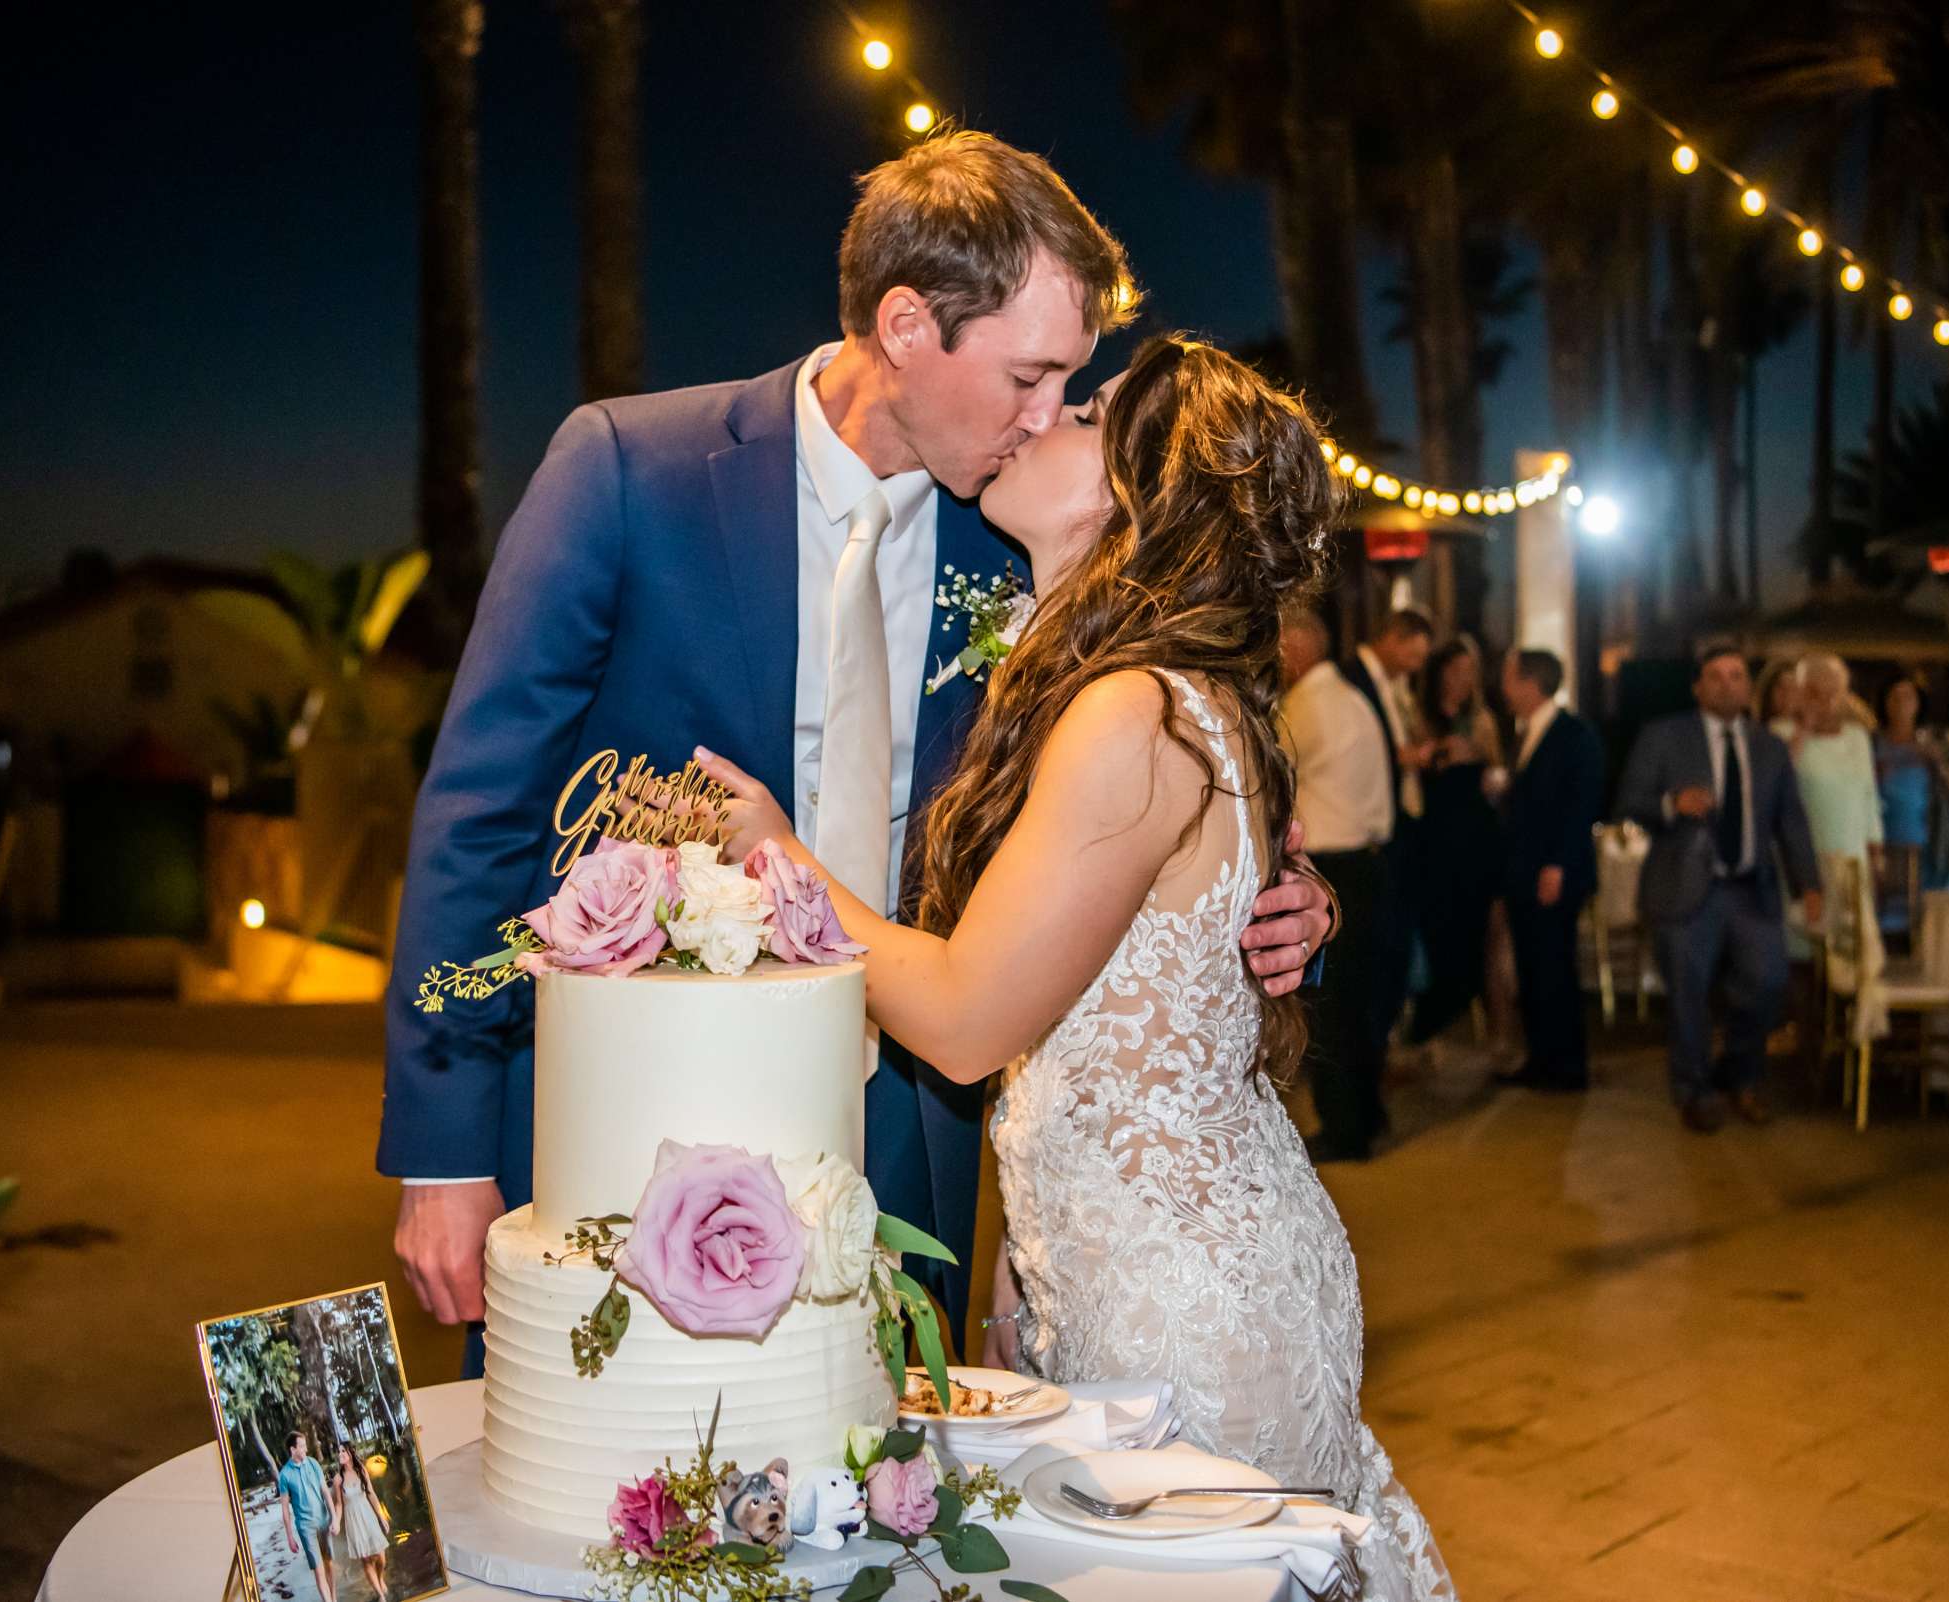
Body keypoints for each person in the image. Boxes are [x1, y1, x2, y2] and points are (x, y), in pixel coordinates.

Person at [380, 132, 1331, 1364]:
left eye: (1069, 387)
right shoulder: (631, 472)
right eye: (1030, 376)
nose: (1048, 420)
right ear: (905, 325)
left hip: (909, 1110)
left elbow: (1164, 800)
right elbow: (481, 808)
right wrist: (443, 1149)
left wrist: (1279, 900)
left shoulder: (1030, 538)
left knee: (890, 1513)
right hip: (644, 1088)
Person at [699, 336, 1456, 1598]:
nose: (1043, 413)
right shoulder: (1165, 692)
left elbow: (966, 1017)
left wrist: (783, 860)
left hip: (1183, 1309)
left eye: (1088, 409)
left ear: (1131, 502)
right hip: (1149, 1265)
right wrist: (1022, 1267)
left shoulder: (1133, 711)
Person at [1617, 645, 1822, 1133]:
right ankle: (1695, 1091)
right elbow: (1628, 798)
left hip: (1752, 889)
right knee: (1688, 994)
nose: (1727, 685)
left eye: (1736, 676)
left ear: (1750, 688)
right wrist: (1671, 803)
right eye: (1716, 676)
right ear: (1697, 687)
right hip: (1688, 888)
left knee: (1769, 984)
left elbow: (1789, 820)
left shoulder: (1769, 747)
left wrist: (1808, 882)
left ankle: (1739, 1075)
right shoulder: (1665, 736)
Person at [1279, 598, 1396, 1161]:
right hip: (1372, 865)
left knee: (1330, 1008)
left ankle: (1346, 1128)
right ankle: (1369, 1113)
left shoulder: (1304, 707)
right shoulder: (1352, 698)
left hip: (1332, 872)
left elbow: (1267, 783)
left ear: (1297, 648)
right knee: (1363, 1003)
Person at [1491, 650, 1603, 1093]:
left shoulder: (1574, 735)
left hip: (1551, 874)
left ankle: (1567, 1066)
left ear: (1529, 683)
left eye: (1508, 678)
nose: (1503, 688)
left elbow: (1580, 806)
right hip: (1523, 872)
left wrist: (1557, 865)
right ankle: (1542, 1058)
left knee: (1555, 966)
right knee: (1535, 967)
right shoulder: (1526, 734)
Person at [1408, 636, 1504, 1050]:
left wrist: (1491, 775)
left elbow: (1499, 775)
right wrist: (1440, 755)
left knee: (1479, 931)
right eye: (1455, 671)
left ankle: (1482, 1019)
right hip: (1435, 839)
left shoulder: (1482, 719)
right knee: (1437, 926)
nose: (1463, 680)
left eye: (1470, 672)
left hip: (1477, 838)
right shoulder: (1418, 716)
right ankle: (1429, 1023)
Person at [1348, 609, 1437, 1052]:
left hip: (1404, 825)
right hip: (1372, 830)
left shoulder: (1397, 686)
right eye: (1414, 655)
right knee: (1379, 944)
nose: (1417, 666)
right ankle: (1373, 1043)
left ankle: (1385, 1039)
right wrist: (1400, 757)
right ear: (1393, 638)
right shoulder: (1351, 679)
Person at [1784, 654, 1883, 952]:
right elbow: (1779, 782)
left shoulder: (1858, 738)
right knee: (1805, 950)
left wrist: (1876, 849)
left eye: (1834, 692)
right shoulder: (1781, 735)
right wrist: (1805, 729)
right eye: (1816, 692)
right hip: (1806, 862)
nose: (1826, 701)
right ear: (1801, 693)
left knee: (1851, 950)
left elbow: (1868, 797)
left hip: (1852, 860)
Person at [1875, 674, 1949, 918]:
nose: (1901, 703)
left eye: (1908, 696)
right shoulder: (1872, 745)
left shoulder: (1941, 743)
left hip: (1934, 846)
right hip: (1889, 847)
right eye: (1895, 697)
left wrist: (1939, 764)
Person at [275, 1429, 336, 1602]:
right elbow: (285, 1509)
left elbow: (325, 1492)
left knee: (329, 1563)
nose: (306, 1449)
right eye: (302, 1446)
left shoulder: (314, 1464)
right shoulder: (284, 1475)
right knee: (318, 1569)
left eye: (304, 1446)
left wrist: (335, 1518)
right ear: (293, 1450)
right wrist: (290, 1537)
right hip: (305, 1528)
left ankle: (334, 1598)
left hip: (324, 1521)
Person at [330, 1442, 393, 1602]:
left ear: (350, 1453)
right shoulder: (338, 1479)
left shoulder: (361, 1471)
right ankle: (380, 1594)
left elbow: (371, 1494)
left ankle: (380, 1578)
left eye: (343, 1451)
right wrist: (336, 1522)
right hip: (353, 1521)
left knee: (380, 1555)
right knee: (365, 1558)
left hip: (368, 1517)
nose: (340, 1454)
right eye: (339, 1452)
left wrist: (381, 1517)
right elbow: (338, 1504)